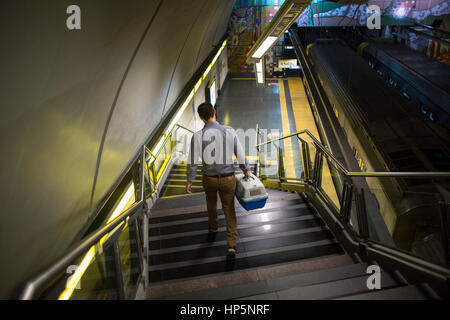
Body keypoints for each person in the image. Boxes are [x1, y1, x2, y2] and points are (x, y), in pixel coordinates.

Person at [186, 102, 251, 257]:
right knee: (229, 209)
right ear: (214, 112)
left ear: (201, 117)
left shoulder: (197, 137)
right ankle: (231, 244)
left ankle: (214, 226)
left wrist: (190, 179)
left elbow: (193, 161)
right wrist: (246, 170)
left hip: (209, 179)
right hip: (228, 178)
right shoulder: (229, 131)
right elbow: (240, 153)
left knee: (211, 203)